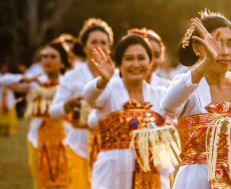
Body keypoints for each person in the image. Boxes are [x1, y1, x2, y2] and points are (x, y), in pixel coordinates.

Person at [161, 10, 231, 189]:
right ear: (197, 48)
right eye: (216, 43)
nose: (225, 52)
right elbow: (168, 106)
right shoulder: (186, 85)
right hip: (195, 180)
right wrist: (206, 62)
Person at [83, 32, 174, 189]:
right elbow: (89, 97)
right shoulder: (109, 89)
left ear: (150, 62)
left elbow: (179, 118)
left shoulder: (160, 93)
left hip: (153, 173)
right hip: (111, 175)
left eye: (141, 58)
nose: (136, 64)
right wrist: (103, 80)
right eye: (129, 59)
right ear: (119, 64)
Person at [49, 18, 119, 189]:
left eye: (103, 42)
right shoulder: (72, 76)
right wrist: (69, 104)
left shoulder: (118, 76)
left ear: (109, 47)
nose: (99, 46)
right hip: (78, 145)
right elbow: (53, 112)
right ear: (84, 46)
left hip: (112, 145)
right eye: (94, 42)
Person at [1, 41, 72, 189]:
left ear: (63, 61)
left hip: (65, 138)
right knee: (40, 180)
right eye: (44, 56)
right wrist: (24, 78)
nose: (47, 60)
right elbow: (2, 81)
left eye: (53, 56)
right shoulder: (34, 82)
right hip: (37, 137)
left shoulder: (68, 82)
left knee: (66, 180)